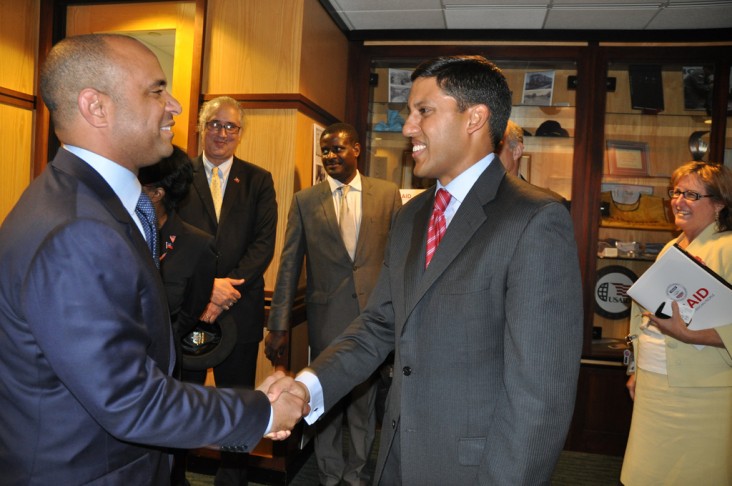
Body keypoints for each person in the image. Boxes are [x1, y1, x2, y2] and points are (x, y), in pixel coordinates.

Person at [0, 34, 304, 485]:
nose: (176, 106)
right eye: (156, 90)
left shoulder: (86, 203)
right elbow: (128, 399)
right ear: (96, 107)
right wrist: (259, 411)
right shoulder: (76, 230)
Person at [268, 55, 584, 485]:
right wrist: (306, 387)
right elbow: (380, 323)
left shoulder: (534, 219)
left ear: (474, 118)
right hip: (398, 457)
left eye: (424, 111)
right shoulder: (413, 214)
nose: (408, 127)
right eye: (409, 112)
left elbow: (540, 393)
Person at [265, 123, 402, 486]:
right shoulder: (306, 201)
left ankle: (355, 474)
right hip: (326, 317)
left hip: (373, 318)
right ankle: (328, 474)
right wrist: (277, 323)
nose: (330, 156)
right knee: (322, 399)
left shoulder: (387, 195)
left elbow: (399, 258)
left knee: (363, 401)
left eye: (338, 149)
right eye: (325, 151)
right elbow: (289, 265)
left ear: (356, 149)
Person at [177, 95, 278, 485]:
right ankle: (175, 475)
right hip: (193, 313)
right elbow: (167, 239)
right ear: (202, 128)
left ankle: (231, 479)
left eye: (230, 127)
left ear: (241, 133)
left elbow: (263, 245)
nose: (222, 133)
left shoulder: (258, 180)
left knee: (236, 401)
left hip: (238, 312)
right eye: (215, 124)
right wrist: (206, 290)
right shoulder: (179, 176)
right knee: (185, 398)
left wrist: (225, 290)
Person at [621, 161, 732, 485]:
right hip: (655, 386)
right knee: (645, 474)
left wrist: (687, 332)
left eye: (691, 195)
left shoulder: (728, 248)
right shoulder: (671, 247)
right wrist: (635, 369)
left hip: (701, 395)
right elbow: (646, 310)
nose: (679, 201)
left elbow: (685, 325)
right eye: (676, 192)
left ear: (719, 204)